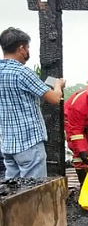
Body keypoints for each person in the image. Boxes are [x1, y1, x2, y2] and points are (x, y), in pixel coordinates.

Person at [0, 27, 65, 179]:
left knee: (12, 192)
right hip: (28, 142)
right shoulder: (23, 72)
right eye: (27, 48)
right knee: (33, 192)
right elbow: (55, 98)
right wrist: (58, 85)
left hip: (7, 143)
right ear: (21, 48)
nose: (28, 51)